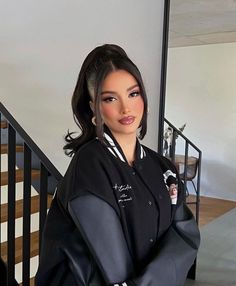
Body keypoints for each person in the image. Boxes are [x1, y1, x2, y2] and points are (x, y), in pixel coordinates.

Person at [35, 44, 200, 286]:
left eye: (133, 94)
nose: (126, 108)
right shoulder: (89, 164)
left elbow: (185, 234)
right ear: (93, 107)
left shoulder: (163, 167)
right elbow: (112, 265)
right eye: (110, 98)